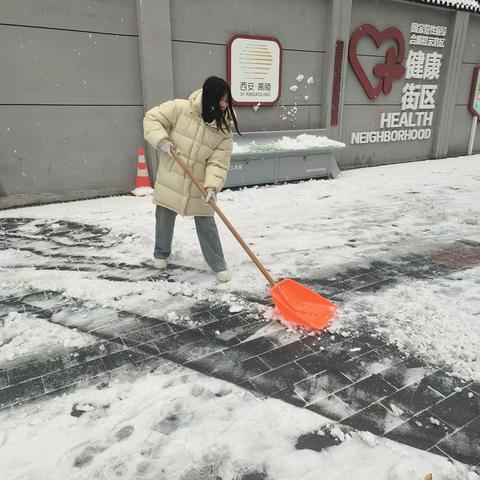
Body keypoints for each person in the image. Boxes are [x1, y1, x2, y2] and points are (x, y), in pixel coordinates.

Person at [143, 76, 241, 282]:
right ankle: (161, 253)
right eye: (220, 100)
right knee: (164, 217)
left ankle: (217, 264)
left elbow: (218, 162)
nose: (223, 105)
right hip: (172, 176)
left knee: (207, 223)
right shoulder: (180, 108)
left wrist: (213, 187)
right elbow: (152, 119)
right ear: (208, 97)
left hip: (200, 183)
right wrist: (162, 141)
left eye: (226, 101)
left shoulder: (223, 130)